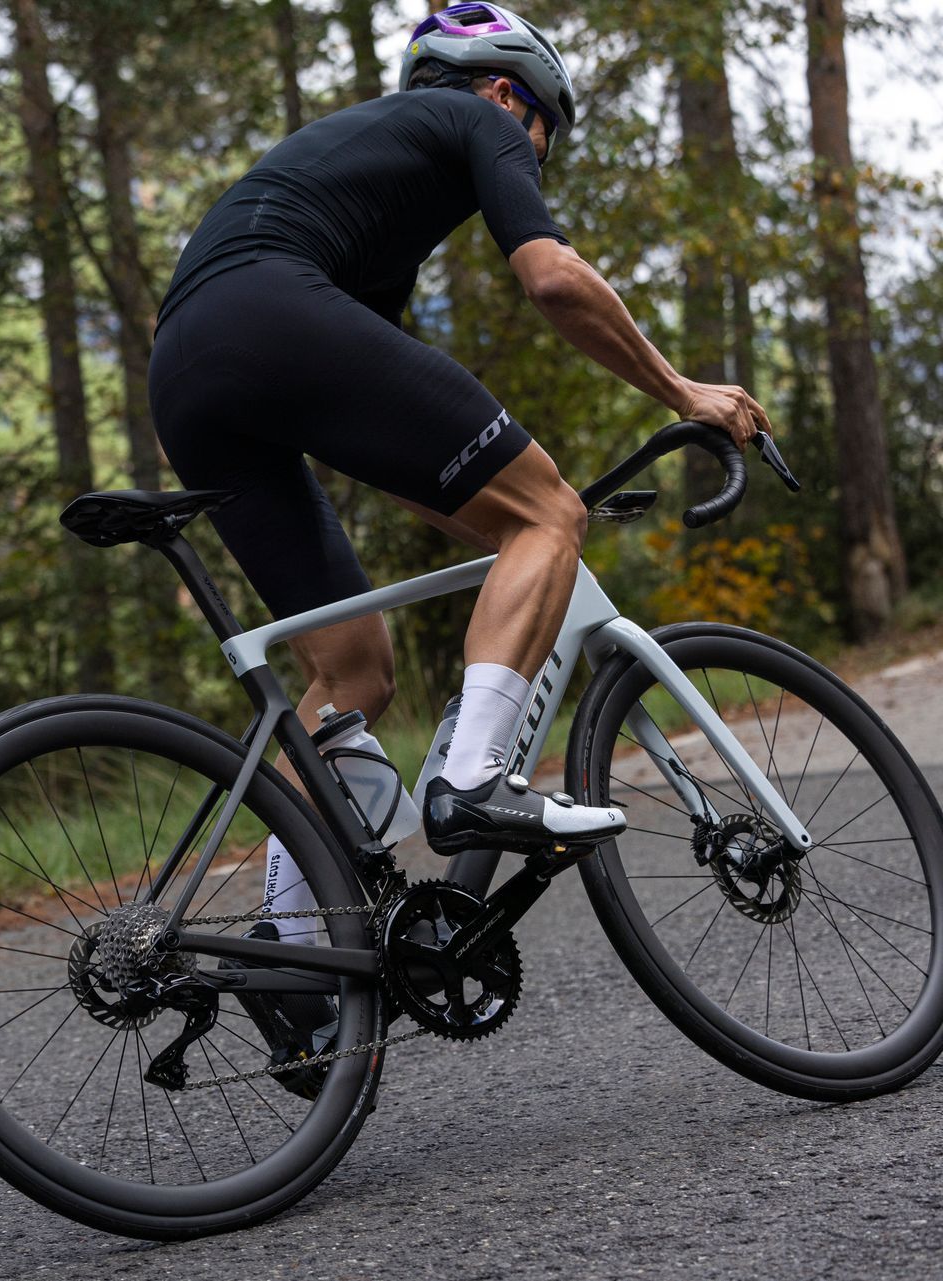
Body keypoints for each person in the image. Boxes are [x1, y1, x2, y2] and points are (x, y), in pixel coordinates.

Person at [148, 4, 770, 1087]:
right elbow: (552, 277)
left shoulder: (363, 190)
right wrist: (680, 393)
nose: (536, 155)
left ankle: (298, 967)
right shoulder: (466, 119)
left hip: (188, 363)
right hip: (268, 314)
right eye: (544, 131)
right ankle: (477, 777)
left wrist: (510, 513)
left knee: (353, 671)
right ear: (504, 92)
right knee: (545, 516)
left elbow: (390, 429)